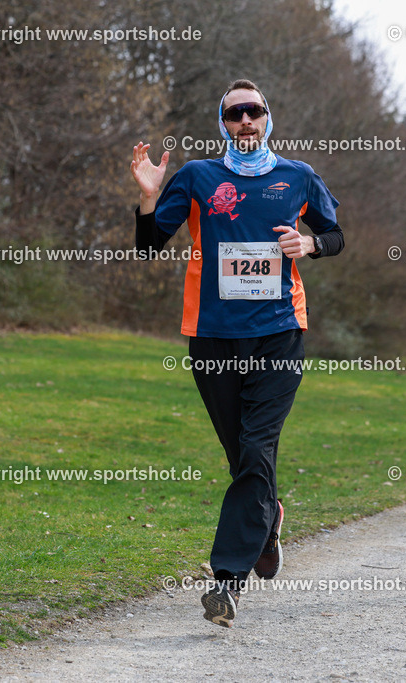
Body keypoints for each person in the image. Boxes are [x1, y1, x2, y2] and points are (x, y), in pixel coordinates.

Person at [129, 78, 344, 627]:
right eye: (234, 115)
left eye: (254, 112)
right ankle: (266, 516)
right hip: (212, 335)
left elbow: (334, 234)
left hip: (279, 332)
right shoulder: (199, 176)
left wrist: (311, 244)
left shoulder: (298, 176)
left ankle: (226, 580)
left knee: (256, 444)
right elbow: (150, 243)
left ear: (268, 118)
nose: (245, 121)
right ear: (222, 124)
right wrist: (149, 196)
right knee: (240, 454)